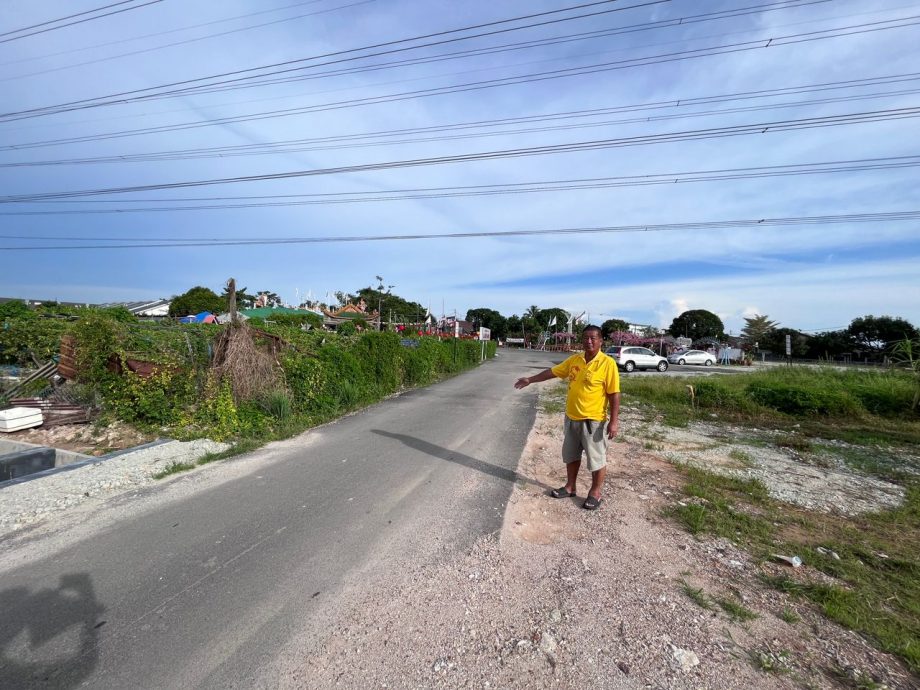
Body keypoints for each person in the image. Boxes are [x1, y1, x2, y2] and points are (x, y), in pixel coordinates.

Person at [514, 325, 620, 510]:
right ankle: (570, 487)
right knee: (571, 456)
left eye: (593, 338)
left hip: (594, 421)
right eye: (585, 338)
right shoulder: (575, 360)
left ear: (601, 341)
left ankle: (595, 492)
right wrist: (530, 379)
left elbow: (614, 394)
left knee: (597, 458)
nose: (589, 341)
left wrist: (614, 421)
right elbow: (552, 372)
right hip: (572, 418)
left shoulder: (607, 363)